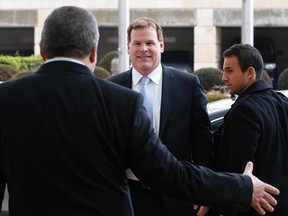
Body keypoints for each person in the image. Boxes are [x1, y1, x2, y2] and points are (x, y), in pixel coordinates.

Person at [0, 6, 279, 216]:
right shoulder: (120, 100)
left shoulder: (6, 98)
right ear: (95, 52)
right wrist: (241, 187)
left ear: (41, 50)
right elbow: (168, 173)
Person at [108, 17, 212, 216]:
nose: (143, 49)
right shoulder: (111, 87)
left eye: (150, 43)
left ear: (161, 46)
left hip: (177, 196)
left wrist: (203, 189)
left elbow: (202, 141)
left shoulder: (188, 84)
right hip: (126, 196)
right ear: (128, 47)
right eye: (137, 43)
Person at [212, 43, 288, 215]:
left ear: (250, 73)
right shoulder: (281, 102)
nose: (224, 77)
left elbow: (239, 170)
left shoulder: (244, 110)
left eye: (230, 71)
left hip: (256, 207)